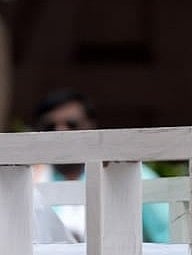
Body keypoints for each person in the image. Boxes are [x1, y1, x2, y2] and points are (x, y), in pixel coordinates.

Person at [31, 88, 170, 243]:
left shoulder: (129, 175)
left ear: (91, 126)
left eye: (71, 124)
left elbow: (168, 236)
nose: (60, 132)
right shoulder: (28, 180)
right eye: (50, 126)